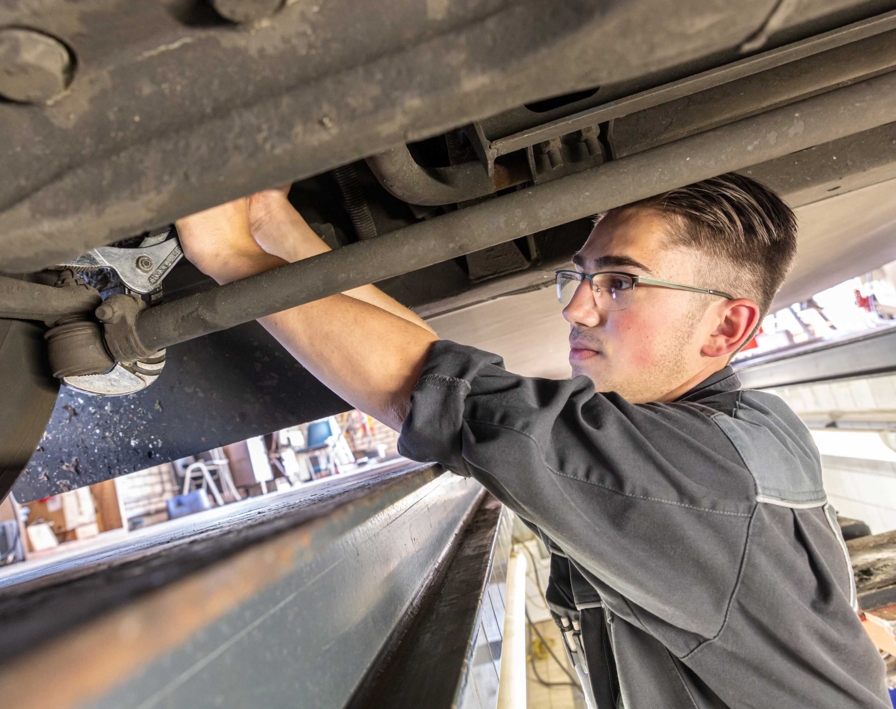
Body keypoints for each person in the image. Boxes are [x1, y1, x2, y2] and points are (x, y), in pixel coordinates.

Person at [175, 173, 889, 708]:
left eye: (618, 284)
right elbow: (459, 382)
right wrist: (272, 227)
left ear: (726, 329)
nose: (578, 309)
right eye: (579, 277)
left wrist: (235, 258)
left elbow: (445, 399)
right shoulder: (728, 439)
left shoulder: (708, 481)